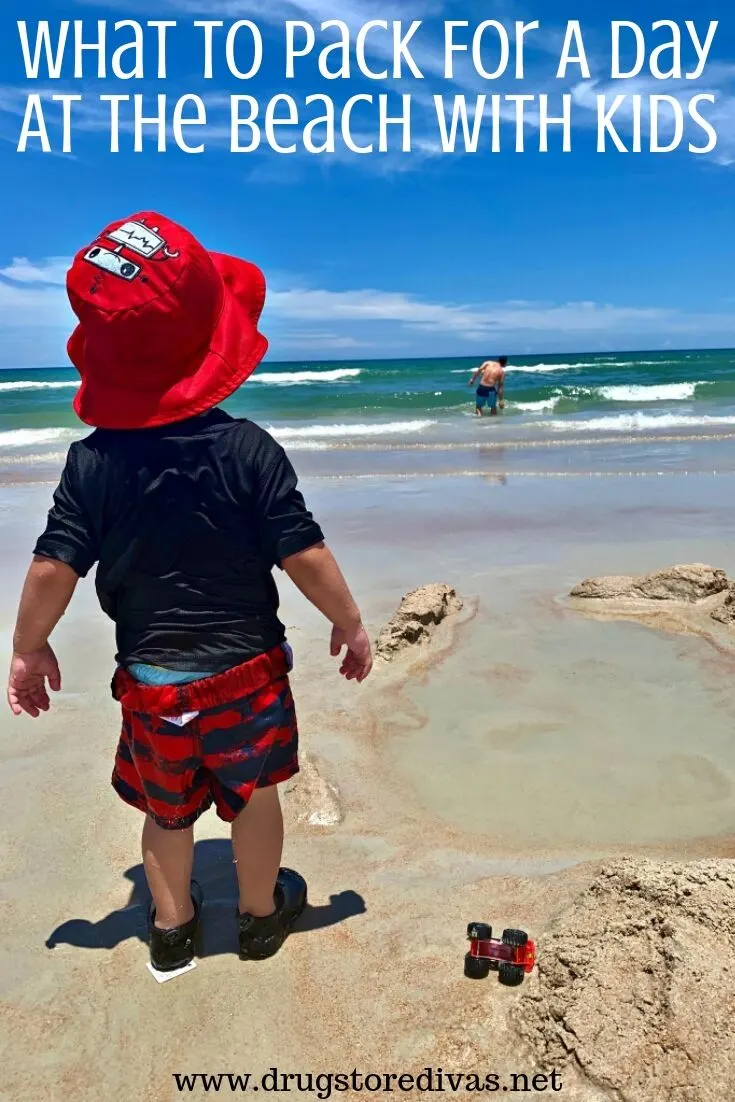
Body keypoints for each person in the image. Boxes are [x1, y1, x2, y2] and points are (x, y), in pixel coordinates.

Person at [6, 212, 373, 974]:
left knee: (165, 812)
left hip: (152, 683)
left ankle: (171, 932)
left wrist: (28, 646)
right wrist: (349, 622)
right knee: (253, 798)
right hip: (247, 675)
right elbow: (300, 550)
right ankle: (260, 916)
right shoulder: (248, 448)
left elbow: (53, 565)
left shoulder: (93, 462)